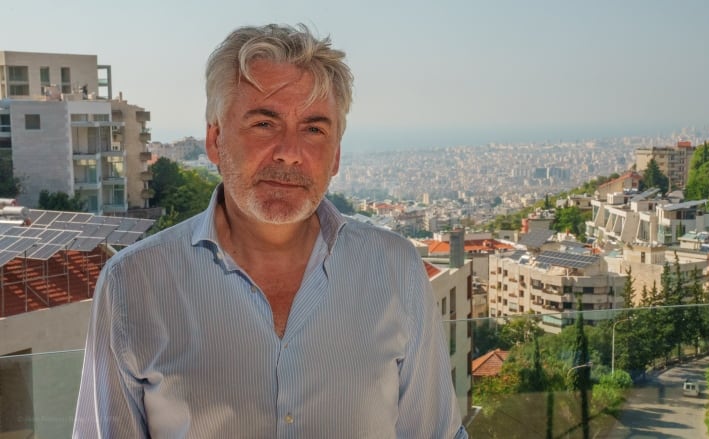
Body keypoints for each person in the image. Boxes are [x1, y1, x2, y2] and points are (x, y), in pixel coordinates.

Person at [73, 24, 467, 438]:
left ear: (335, 156)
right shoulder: (134, 282)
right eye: (264, 123)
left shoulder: (394, 267)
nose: (290, 153)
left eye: (314, 129)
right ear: (215, 140)